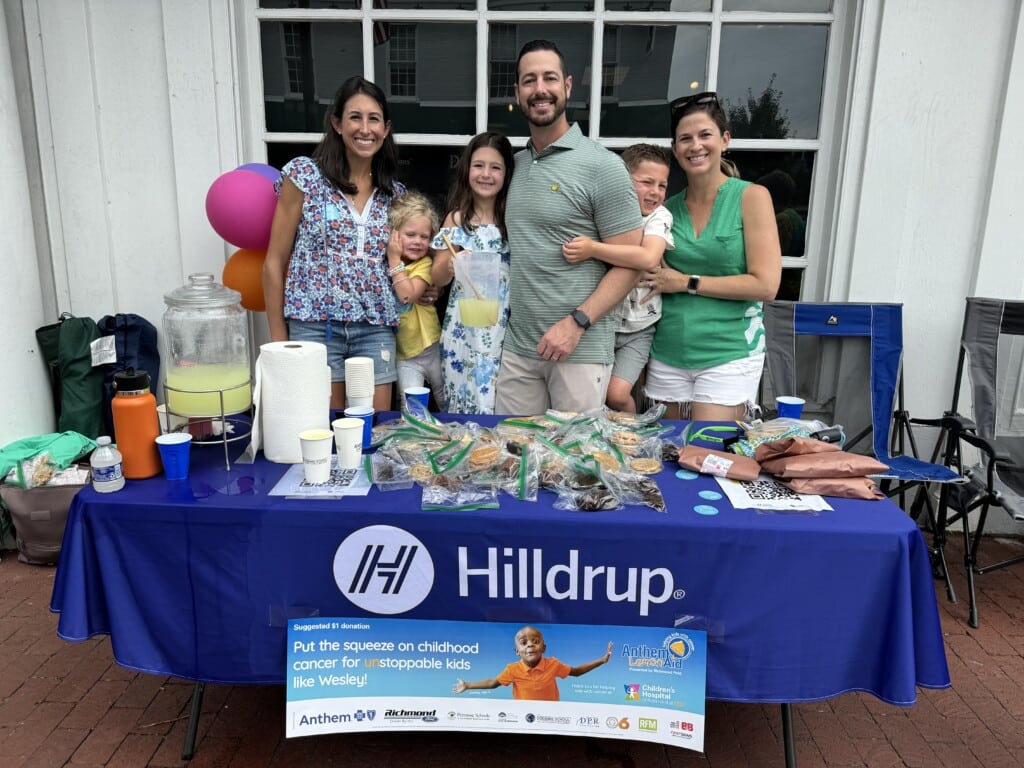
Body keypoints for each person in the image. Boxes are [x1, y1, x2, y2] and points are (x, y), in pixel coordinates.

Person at [493, 40, 644, 415]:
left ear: (568, 86)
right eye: (529, 80)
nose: (539, 89)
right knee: (512, 463)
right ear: (517, 92)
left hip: (582, 349)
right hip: (519, 349)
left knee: (573, 467)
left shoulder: (603, 167)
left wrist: (577, 323)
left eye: (550, 78)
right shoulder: (514, 167)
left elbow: (632, 262)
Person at [262, 76, 405, 411]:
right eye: (355, 117)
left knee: (373, 432)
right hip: (314, 327)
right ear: (337, 124)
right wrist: (279, 344)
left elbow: (403, 263)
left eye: (374, 119)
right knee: (321, 429)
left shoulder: (394, 195)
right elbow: (273, 261)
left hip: (375, 327)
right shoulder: (305, 176)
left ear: (386, 129)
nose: (365, 129)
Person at [643, 92, 781, 421]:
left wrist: (687, 282)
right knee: (666, 457)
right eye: (685, 139)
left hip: (728, 352)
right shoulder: (665, 209)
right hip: (667, 352)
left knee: (706, 455)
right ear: (675, 150)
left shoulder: (752, 197)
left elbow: (766, 285)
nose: (696, 146)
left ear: (725, 140)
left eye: (705, 135)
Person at [561, 144, 674, 413]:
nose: (655, 192)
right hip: (603, 325)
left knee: (617, 394)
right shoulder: (606, 212)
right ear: (622, 180)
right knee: (591, 395)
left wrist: (593, 249)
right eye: (646, 182)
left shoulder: (659, 216)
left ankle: (632, 438)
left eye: (662, 185)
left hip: (639, 329)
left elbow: (648, 258)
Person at [430, 132, 514, 414]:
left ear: (506, 173)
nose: (486, 174)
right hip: (464, 328)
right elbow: (437, 277)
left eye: (496, 167)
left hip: (504, 326)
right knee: (464, 408)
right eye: (479, 165)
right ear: (467, 169)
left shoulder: (512, 219)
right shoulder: (456, 219)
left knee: (499, 407)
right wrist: (451, 265)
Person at [452, 626, 613, 702]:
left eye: (535, 641)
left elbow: (576, 672)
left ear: (543, 648)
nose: (530, 645)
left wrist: (602, 660)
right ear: (517, 651)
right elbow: (493, 683)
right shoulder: (512, 669)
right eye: (524, 642)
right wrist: (467, 685)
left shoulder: (553, 664)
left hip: (552, 714)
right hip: (524, 716)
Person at [388, 191, 444, 406]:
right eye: (410, 234)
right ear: (394, 235)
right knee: (411, 406)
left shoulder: (424, 264)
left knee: (445, 398)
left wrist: (394, 259)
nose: (418, 242)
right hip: (404, 354)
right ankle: (416, 439)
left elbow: (407, 294)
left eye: (424, 237)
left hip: (432, 347)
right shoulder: (381, 265)